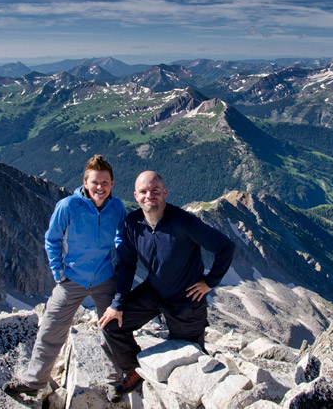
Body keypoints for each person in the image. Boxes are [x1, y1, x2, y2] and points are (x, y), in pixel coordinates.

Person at [98, 170, 235, 401]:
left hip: (186, 300)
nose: (149, 195)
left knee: (191, 359)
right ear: (136, 195)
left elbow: (226, 247)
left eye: (154, 191)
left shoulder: (184, 222)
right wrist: (118, 303)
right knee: (111, 324)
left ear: (164, 193)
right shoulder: (133, 224)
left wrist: (210, 282)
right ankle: (134, 369)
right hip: (154, 291)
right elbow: (127, 266)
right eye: (143, 192)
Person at [3, 154, 127, 396]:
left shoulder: (117, 207)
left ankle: (114, 382)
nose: (99, 188)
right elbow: (52, 239)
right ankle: (33, 382)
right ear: (85, 182)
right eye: (95, 182)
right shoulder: (69, 205)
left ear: (112, 184)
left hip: (104, 278)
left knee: (112, 331)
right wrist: (58, 273)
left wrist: (119, 262)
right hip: (72, 278)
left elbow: (121, 235)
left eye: (104, 182)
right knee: (51, 328)